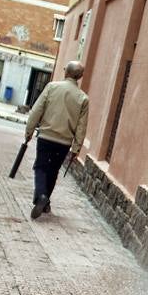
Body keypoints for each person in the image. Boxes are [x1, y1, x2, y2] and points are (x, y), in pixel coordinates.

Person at [24, 60, 89, 219]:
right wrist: (76, 149)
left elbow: (36, 110)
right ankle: (45, 203)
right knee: (53, 171)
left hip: (46, 137)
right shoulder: (83, 98)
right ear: (79, 76)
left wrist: (29, 131)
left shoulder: (52, 87)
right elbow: (82, 126)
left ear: (66, 72)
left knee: (40, 167)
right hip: (64, 142)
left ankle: (41, 196)